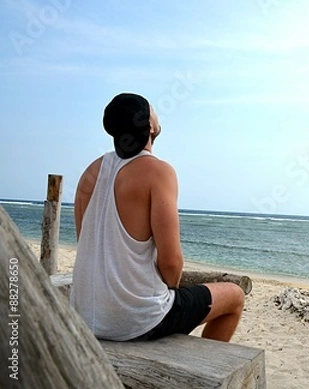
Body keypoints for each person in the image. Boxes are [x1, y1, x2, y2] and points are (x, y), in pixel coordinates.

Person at [70, 92, 244, 342]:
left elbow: (90, 247)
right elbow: (171, 262)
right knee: (235, 296)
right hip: (135, 320)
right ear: (149, 125)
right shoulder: (158, 172)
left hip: (86, 316)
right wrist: (171, 288)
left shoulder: (90, 173)